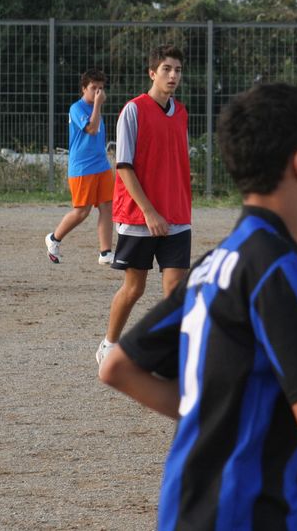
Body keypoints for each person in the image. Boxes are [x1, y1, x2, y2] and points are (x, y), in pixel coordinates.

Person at [98, 82, 297, 530]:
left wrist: (220, 419)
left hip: (188, 508)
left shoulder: (220, 259)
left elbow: (117, 366)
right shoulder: (277, 268)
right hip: (250, 511)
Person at [95, 46, 191, 366]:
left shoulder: (181, 112)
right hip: (139, 217)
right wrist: (150, 211)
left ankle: (170, 356)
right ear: (152, 73)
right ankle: (109, 344)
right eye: (166, 69)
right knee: (134, 288)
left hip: (177, 215)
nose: (173, 75)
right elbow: (123, 167)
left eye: (178, 69)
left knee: (176, 291)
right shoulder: (133, 111)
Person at [45, 67, 115, 266]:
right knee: (82, 211)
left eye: (101, 88)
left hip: (101, 165)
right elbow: (91, 129)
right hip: (83, 168)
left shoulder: (96, 108)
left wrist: (97, 106)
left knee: (107, 207)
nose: (98, 92)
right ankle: (54, 238)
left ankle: (105, 252)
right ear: (84, 89)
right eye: (93, 88)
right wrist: (98, 105)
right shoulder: (76, 108)